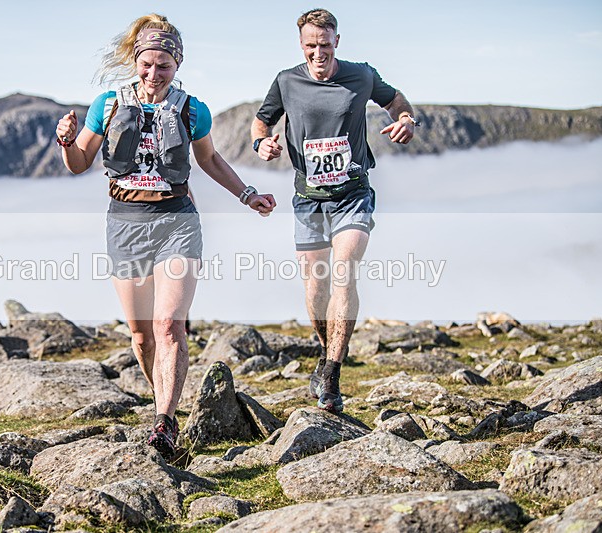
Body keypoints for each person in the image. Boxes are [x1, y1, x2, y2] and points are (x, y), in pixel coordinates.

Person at [56, 14, 276, 458]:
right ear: (135, 60)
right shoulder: (108, 104)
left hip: (178, 220)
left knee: (169, 325)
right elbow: (80, 163)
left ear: (177, 65)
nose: (154, 75)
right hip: (124, 223)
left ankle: (165, 423)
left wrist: (247, 194)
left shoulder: (192, 109)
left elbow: (211, 161)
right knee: (141, 337)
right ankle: (162, 401)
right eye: (147, 65)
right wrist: (66, 142)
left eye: (164, 67)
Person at [251, 8, 416, 413]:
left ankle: (332, 377)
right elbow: (261, 123)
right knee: (316, 287)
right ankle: (327, 354)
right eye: (311, 46)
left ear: (337, 41)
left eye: (326, 45)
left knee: (343, 271)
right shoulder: (286, 80)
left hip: (352, 192)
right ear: (301, 45)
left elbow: (395, 100)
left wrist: (407, 119)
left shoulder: (360, 75)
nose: (319, 54)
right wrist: (262, 144)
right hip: (308, 198)